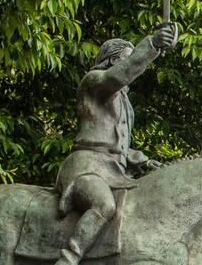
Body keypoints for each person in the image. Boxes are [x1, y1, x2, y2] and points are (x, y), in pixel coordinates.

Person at [53, 23, 177, 265]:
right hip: (86, 168)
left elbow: (116, 145)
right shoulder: (95, 82)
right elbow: (121, 74)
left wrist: (144, 161)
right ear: (112, 61)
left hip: (113, 172)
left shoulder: (124, 101)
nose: (131, 68)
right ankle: (68, 259)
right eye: (126, 60)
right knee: (104, 205)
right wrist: (152, 45)